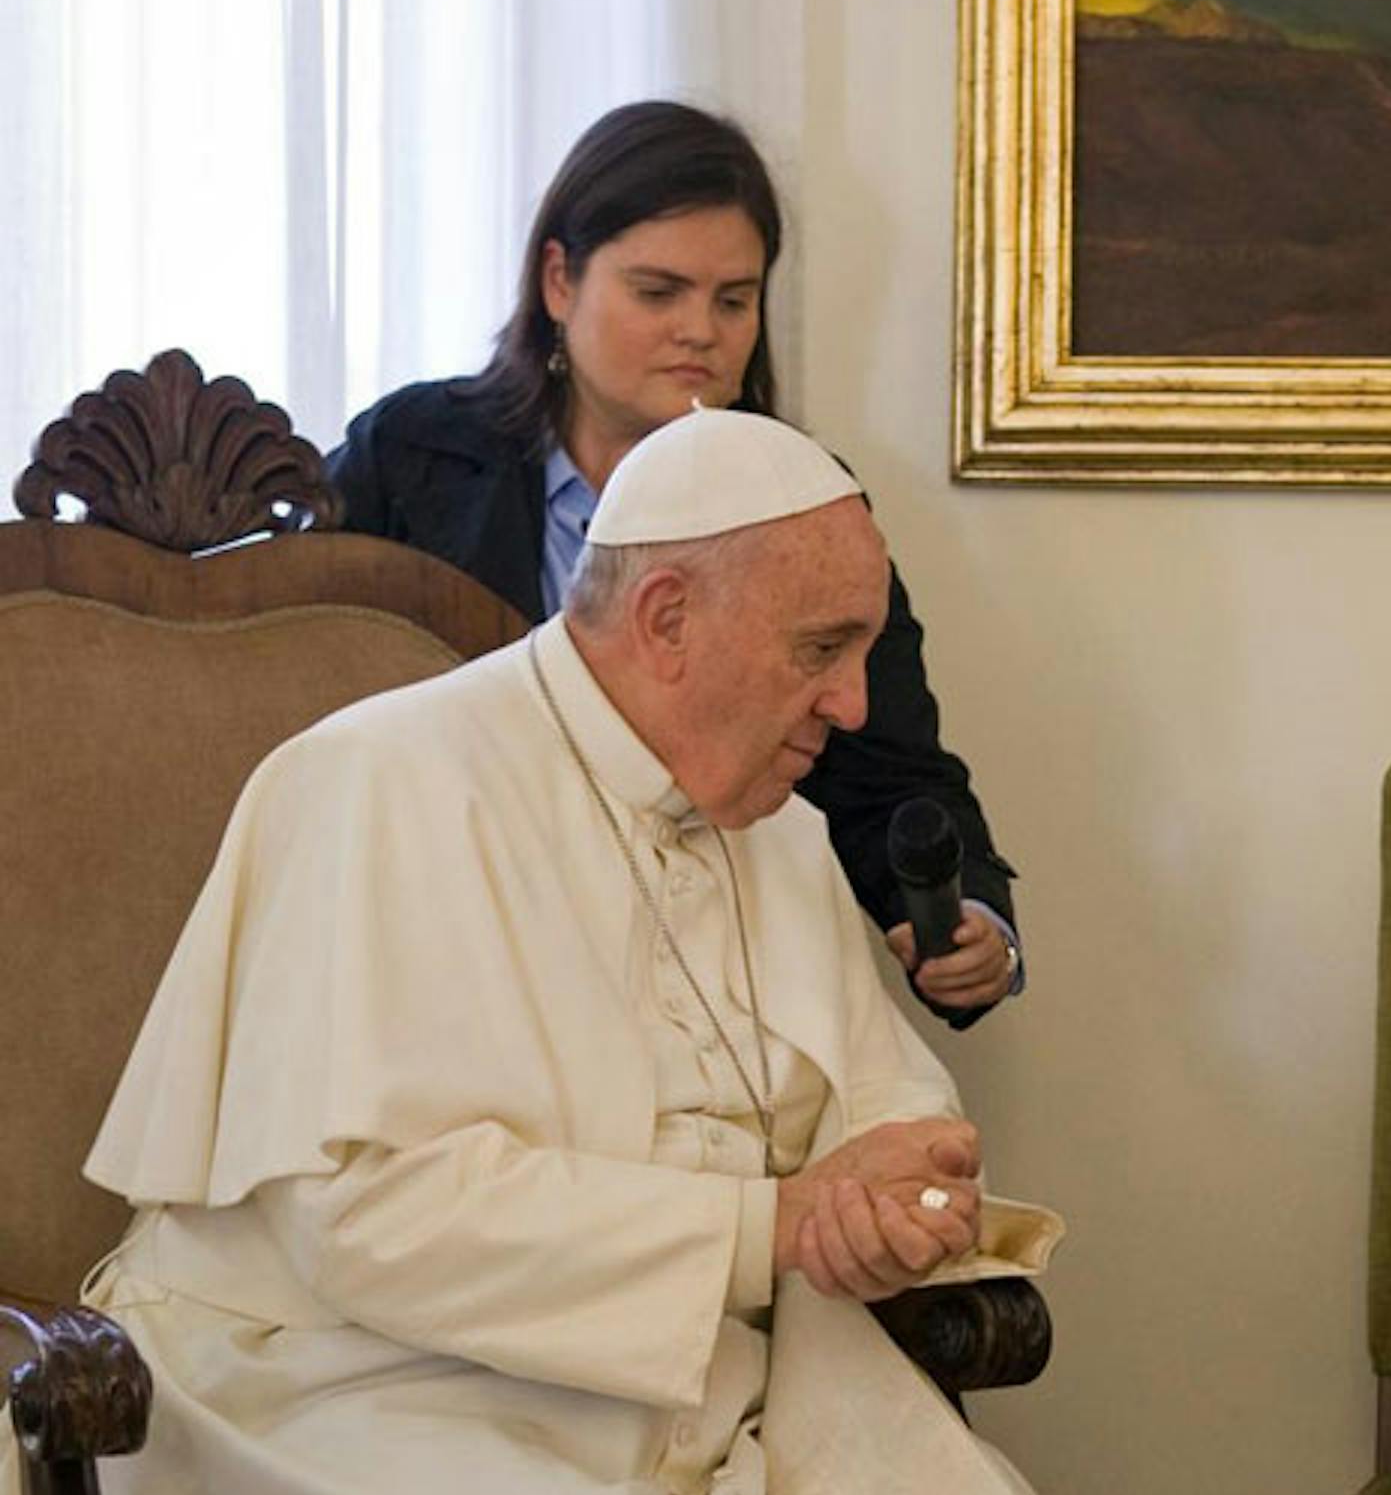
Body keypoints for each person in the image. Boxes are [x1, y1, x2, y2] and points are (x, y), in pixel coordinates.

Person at [84, 410, 1135, 1495]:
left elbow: (879, 1100)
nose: (850, 705)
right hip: (330, 1398)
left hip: (664, 1399)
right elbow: (372, 1222)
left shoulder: (767, 821)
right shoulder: (385, 784)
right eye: (821, 650)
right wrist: (779, 1227)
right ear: (665, 618)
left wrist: (898, 1182)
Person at [325, 99, 1022, 1029]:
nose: (703, 330)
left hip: (694, 980)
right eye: (660, 292)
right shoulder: (411, 455)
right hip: (441, 944)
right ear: (560, 281)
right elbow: (304, 688)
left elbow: (887, 770)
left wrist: (971, 921)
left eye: (734, 300)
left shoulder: (804, 505)